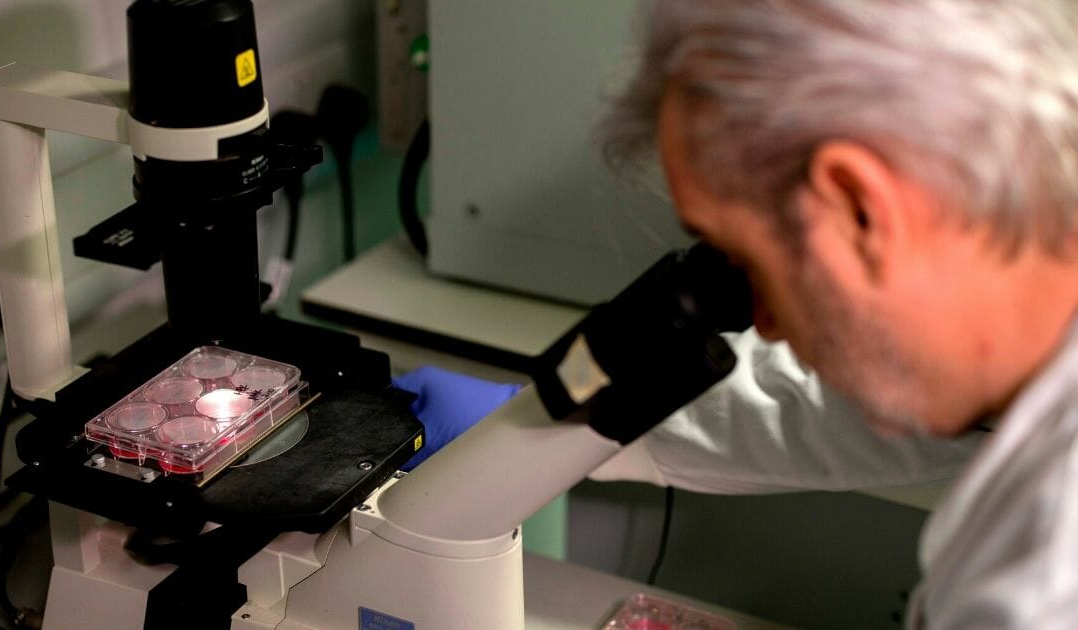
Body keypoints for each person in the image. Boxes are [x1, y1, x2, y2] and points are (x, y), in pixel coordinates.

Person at [400, 1, 1078, 627]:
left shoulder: (1045, 583)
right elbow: (842, 392)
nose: (769, 329)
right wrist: (541, 429)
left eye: (752, 266)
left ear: (861, 205)